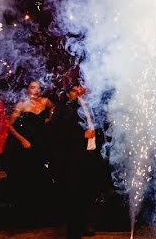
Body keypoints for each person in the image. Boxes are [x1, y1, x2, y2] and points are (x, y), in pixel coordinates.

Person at [51, 85, 101, 239]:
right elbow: (61, 133)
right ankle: (73, 231)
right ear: (68, 94)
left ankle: (84, 225)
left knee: (87, 192)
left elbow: (96, 126)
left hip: (90, 154)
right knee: (74, 194)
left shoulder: (91, 106)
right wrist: (82, 135)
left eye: (81, 90)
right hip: (74, 158)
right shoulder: (67, 109)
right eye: (75, 90)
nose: (79, 92)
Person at [6, 80, 55, 225]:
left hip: (41, 144)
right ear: (28, 89)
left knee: (41, 177)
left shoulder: (45, 101)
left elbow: (54, 108)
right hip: (25, 146)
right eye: (33, 87)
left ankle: (42, 217)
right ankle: (25, 218)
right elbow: (9, 124)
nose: (36, 90)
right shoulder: (21, 104)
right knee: (26, 177)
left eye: (39, 88)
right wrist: (22, 140)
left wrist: (49, 119)